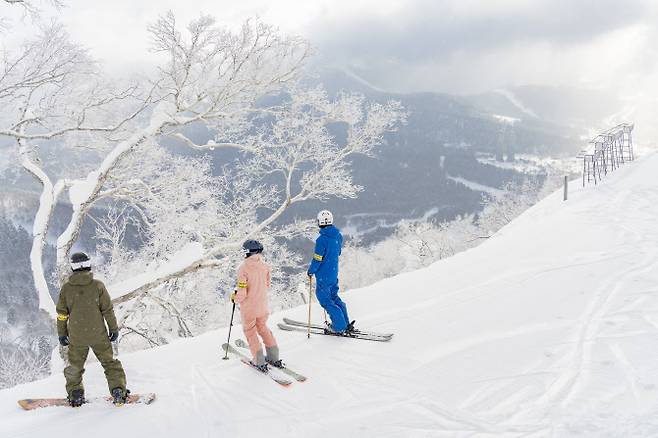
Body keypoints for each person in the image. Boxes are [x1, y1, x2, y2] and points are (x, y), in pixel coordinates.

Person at [56, 252, 128, 407]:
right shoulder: (98, 286)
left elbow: (62, 315)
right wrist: (113, 329)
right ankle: (118, 390)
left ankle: (75, 394)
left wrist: (62, 333)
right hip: (98, 335)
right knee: (110, 363)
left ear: (73, 267)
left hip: (77, 336)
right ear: (88, 265)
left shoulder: (66, 289)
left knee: (75, 367)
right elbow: (107, 310)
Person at [230, 240, 282, 371]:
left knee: (250, 331)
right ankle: (274, 356)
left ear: (247, 252)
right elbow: (267, 285)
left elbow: (242, 293)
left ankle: (259, 360)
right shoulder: (265, 266)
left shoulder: (243, 268)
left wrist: (234, 298)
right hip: (263, 306)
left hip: (250, 308)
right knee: (263, 328)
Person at [307, 210, 354, 334]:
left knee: (325, 299)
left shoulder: (321, 240)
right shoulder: (338, 236)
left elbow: (318, 258)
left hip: (323, 275)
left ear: (319, 223)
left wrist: (311, 271)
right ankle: (345, 322)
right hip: (333, 273)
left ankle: (339, 326)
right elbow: (338, 252)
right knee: (334, 297)